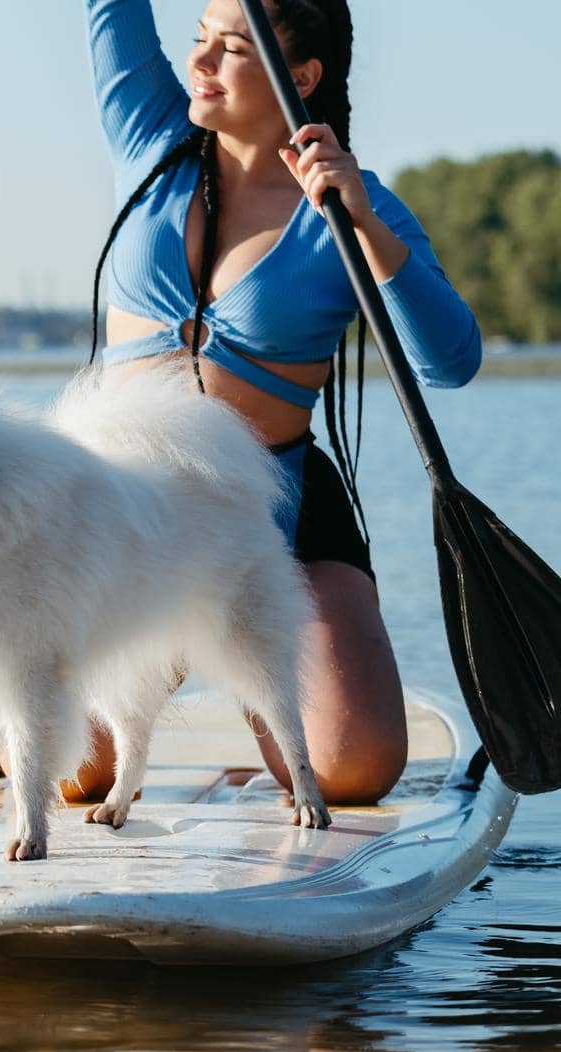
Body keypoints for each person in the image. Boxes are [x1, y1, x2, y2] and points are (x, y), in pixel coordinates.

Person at [63, 0, 482, 805]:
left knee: (354, 769)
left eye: (232, 46)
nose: (202, 62)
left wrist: (363, 224)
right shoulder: (150, 140)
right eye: (199, 41)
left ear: (302, 77)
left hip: (272, 515)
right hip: (121, 513)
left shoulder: (350, 206)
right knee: (74, 773)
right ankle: (175, 668)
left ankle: (251, 686)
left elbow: (452, 362)